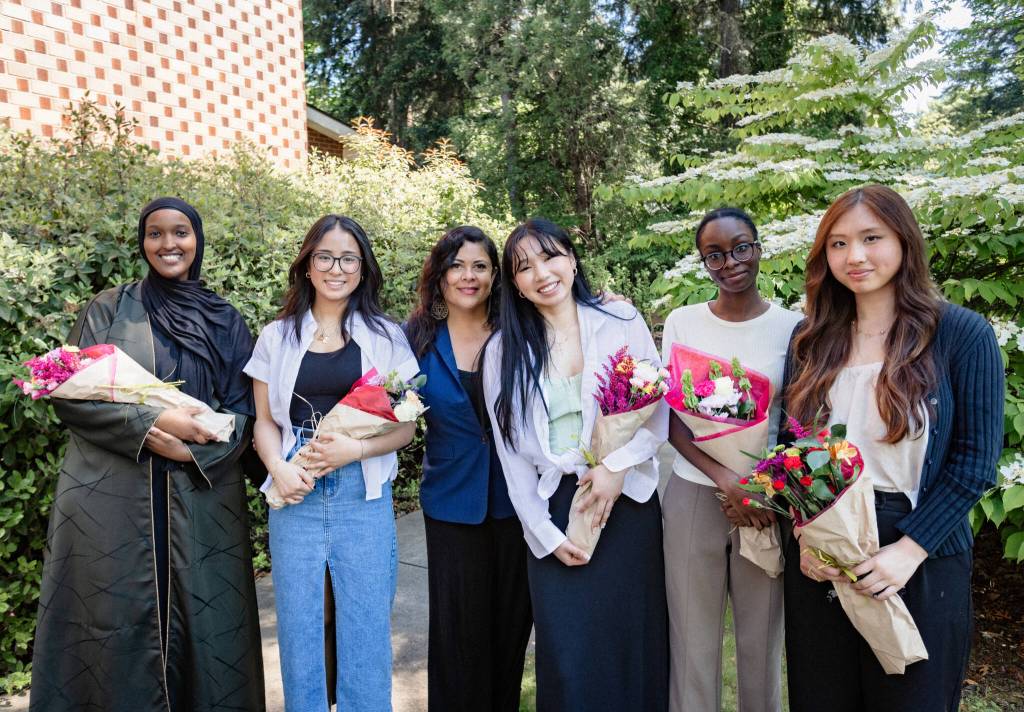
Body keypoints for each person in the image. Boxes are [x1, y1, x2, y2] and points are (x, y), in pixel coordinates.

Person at [30, 197, 265, 711]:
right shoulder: (109, 309)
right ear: (143, 244)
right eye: (155, 234)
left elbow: (247, 413)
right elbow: (70, 392)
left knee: (208, 630)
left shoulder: (225, 320)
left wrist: (190, 448)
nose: (168, 244)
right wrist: (152, 424)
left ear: (197, 239)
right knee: (112, 628)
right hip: (114, 504)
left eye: (180, 232)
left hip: (202, 503)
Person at [780, 185, 1004, 711]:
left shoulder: (960, 334)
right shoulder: (810, 339)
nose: (854, 256)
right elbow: (789, 448)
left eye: (870, 238)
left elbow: (974, 462)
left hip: (917, 549)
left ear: (904, 241)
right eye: (837, 244)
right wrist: (805, 539)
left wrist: (909, 551)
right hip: (822, 554)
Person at [482, 217, 669, 711]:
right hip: (556, 510)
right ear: (515, 286)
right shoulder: (503, 351)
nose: (541, 273)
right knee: (570, 655)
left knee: (633, 646)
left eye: (550, 256)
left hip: (627, 503)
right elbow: (511, 456)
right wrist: (544, 534)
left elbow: (657, 416)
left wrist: (616, 468)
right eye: (524, 267)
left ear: (571, 258)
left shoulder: (622, 324)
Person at [245, 214, 418, 712]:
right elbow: (262, 421)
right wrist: (277, 466)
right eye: (325, 256)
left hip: (361, 496)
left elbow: (405, 426)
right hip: (293, 493)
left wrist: (355, 449)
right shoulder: (276, 337)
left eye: (348, 258)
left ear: (363, 269)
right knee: (299, 625)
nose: (336, 268)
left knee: (364, 624)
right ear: (307, 265)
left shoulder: (386, 337)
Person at [661, 208, 800, 712]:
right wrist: (727, 482)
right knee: (691, 637)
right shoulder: (683, 321)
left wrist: (760, 488)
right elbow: (670, 418)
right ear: (704, 262)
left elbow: (799, 422)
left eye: (741, 247)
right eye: (714, 255)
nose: (730, 262)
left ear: (758, 248)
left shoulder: (794, 328)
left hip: (766, 502)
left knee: (761, 639)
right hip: (694, 493)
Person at [404, 225, 533, 712]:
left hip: (517, 504)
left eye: (479, 265)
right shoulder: (413, 339)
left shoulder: (519, 333)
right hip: (451, 505)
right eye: (456, 265)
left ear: (494, 275)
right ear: (439, 275)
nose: (468, 276)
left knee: (509, 628)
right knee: (458, 634)